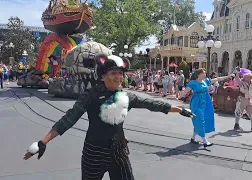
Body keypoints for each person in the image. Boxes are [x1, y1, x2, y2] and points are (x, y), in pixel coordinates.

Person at [23, 54, 194, 180]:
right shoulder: (90, 95)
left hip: (119, 152)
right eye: (113, 73)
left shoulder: (127, 96)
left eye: (121, 73)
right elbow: (69, 118)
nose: (118, 77)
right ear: (103, 75)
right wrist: (43, 141)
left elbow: (152, 104)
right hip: (93, 153)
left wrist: (179, 109)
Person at [180, 68, 230, 147]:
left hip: (205, 102)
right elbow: (186, 91)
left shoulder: (206, 81)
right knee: (200, 120)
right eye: (203, 73)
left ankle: (193, 138)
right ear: (198, 75)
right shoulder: (193, 83)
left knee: (201, 120)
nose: (205, 74)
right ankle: (205, 141)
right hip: (196, 103)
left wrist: (227, 76)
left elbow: (217, 79)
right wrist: (181, 96)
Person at [233, 68, 252, 132]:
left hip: (249, 100)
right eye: (248, 77)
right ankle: (236, 125)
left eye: (250, 77)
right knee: (238, 112)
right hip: (242, 99)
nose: (249, 78)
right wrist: (237, 72)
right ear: (245, 77)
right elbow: (237, 79)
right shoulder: (241, 82)